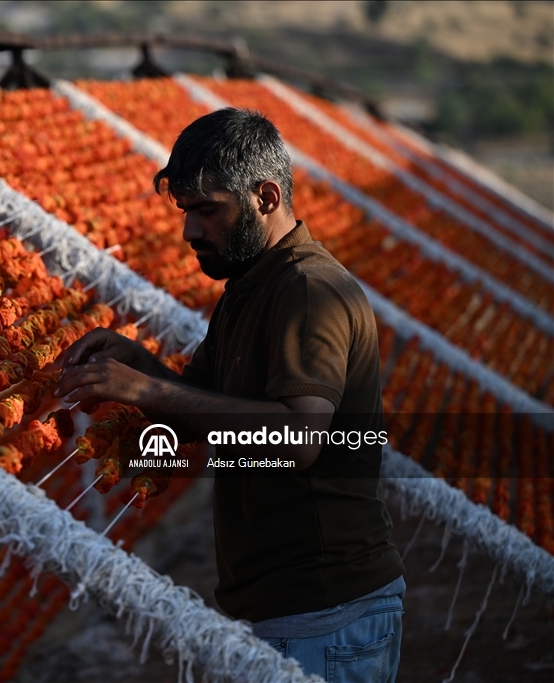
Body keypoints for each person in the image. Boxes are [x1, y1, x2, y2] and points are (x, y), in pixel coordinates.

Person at [54, 108, 405, 681]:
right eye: (187, 213)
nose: (190, 232)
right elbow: (200, 407)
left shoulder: (306, 290)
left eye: (206, 211)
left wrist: (143, 387)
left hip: (324, 611)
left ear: (266, 196)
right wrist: (139, 365)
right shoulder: (250, 286)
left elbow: (299, 437)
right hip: (290, 608)